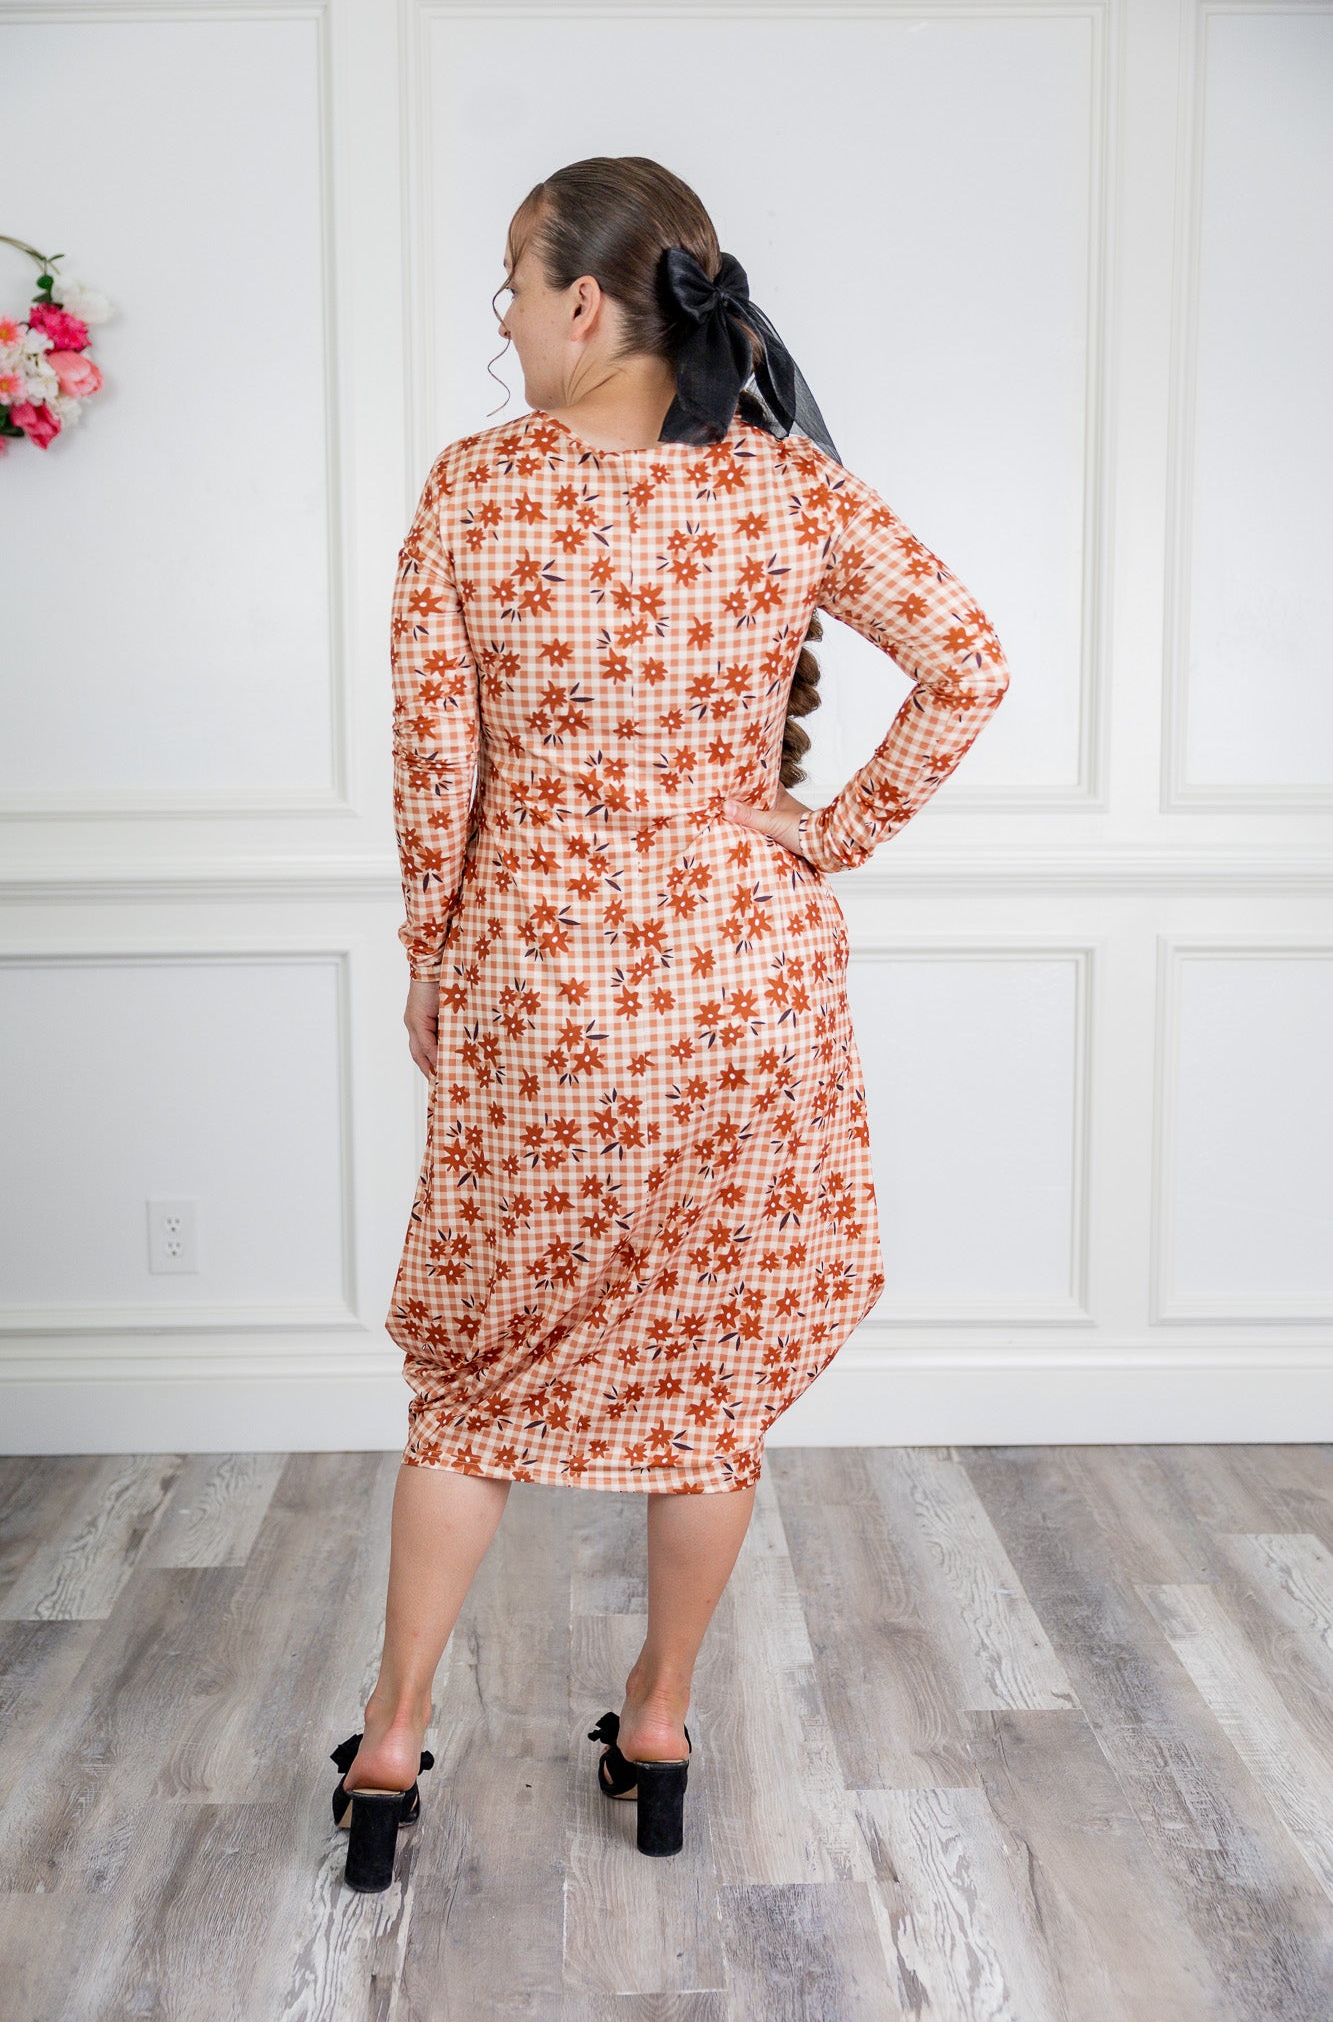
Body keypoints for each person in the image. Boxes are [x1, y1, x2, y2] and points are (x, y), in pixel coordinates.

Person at [331, 155, 1010, 1888]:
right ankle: (657, 1724)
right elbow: (970, 663)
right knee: (703, 1390)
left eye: (508, 285)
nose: (497, 320)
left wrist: (431, 952)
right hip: (738, 986)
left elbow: (435, 771)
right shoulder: (783, 493)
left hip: (536, 987)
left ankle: (394, 1748)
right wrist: (824, 837)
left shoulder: (480, 491)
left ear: (582, 300)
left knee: (473, 1382)